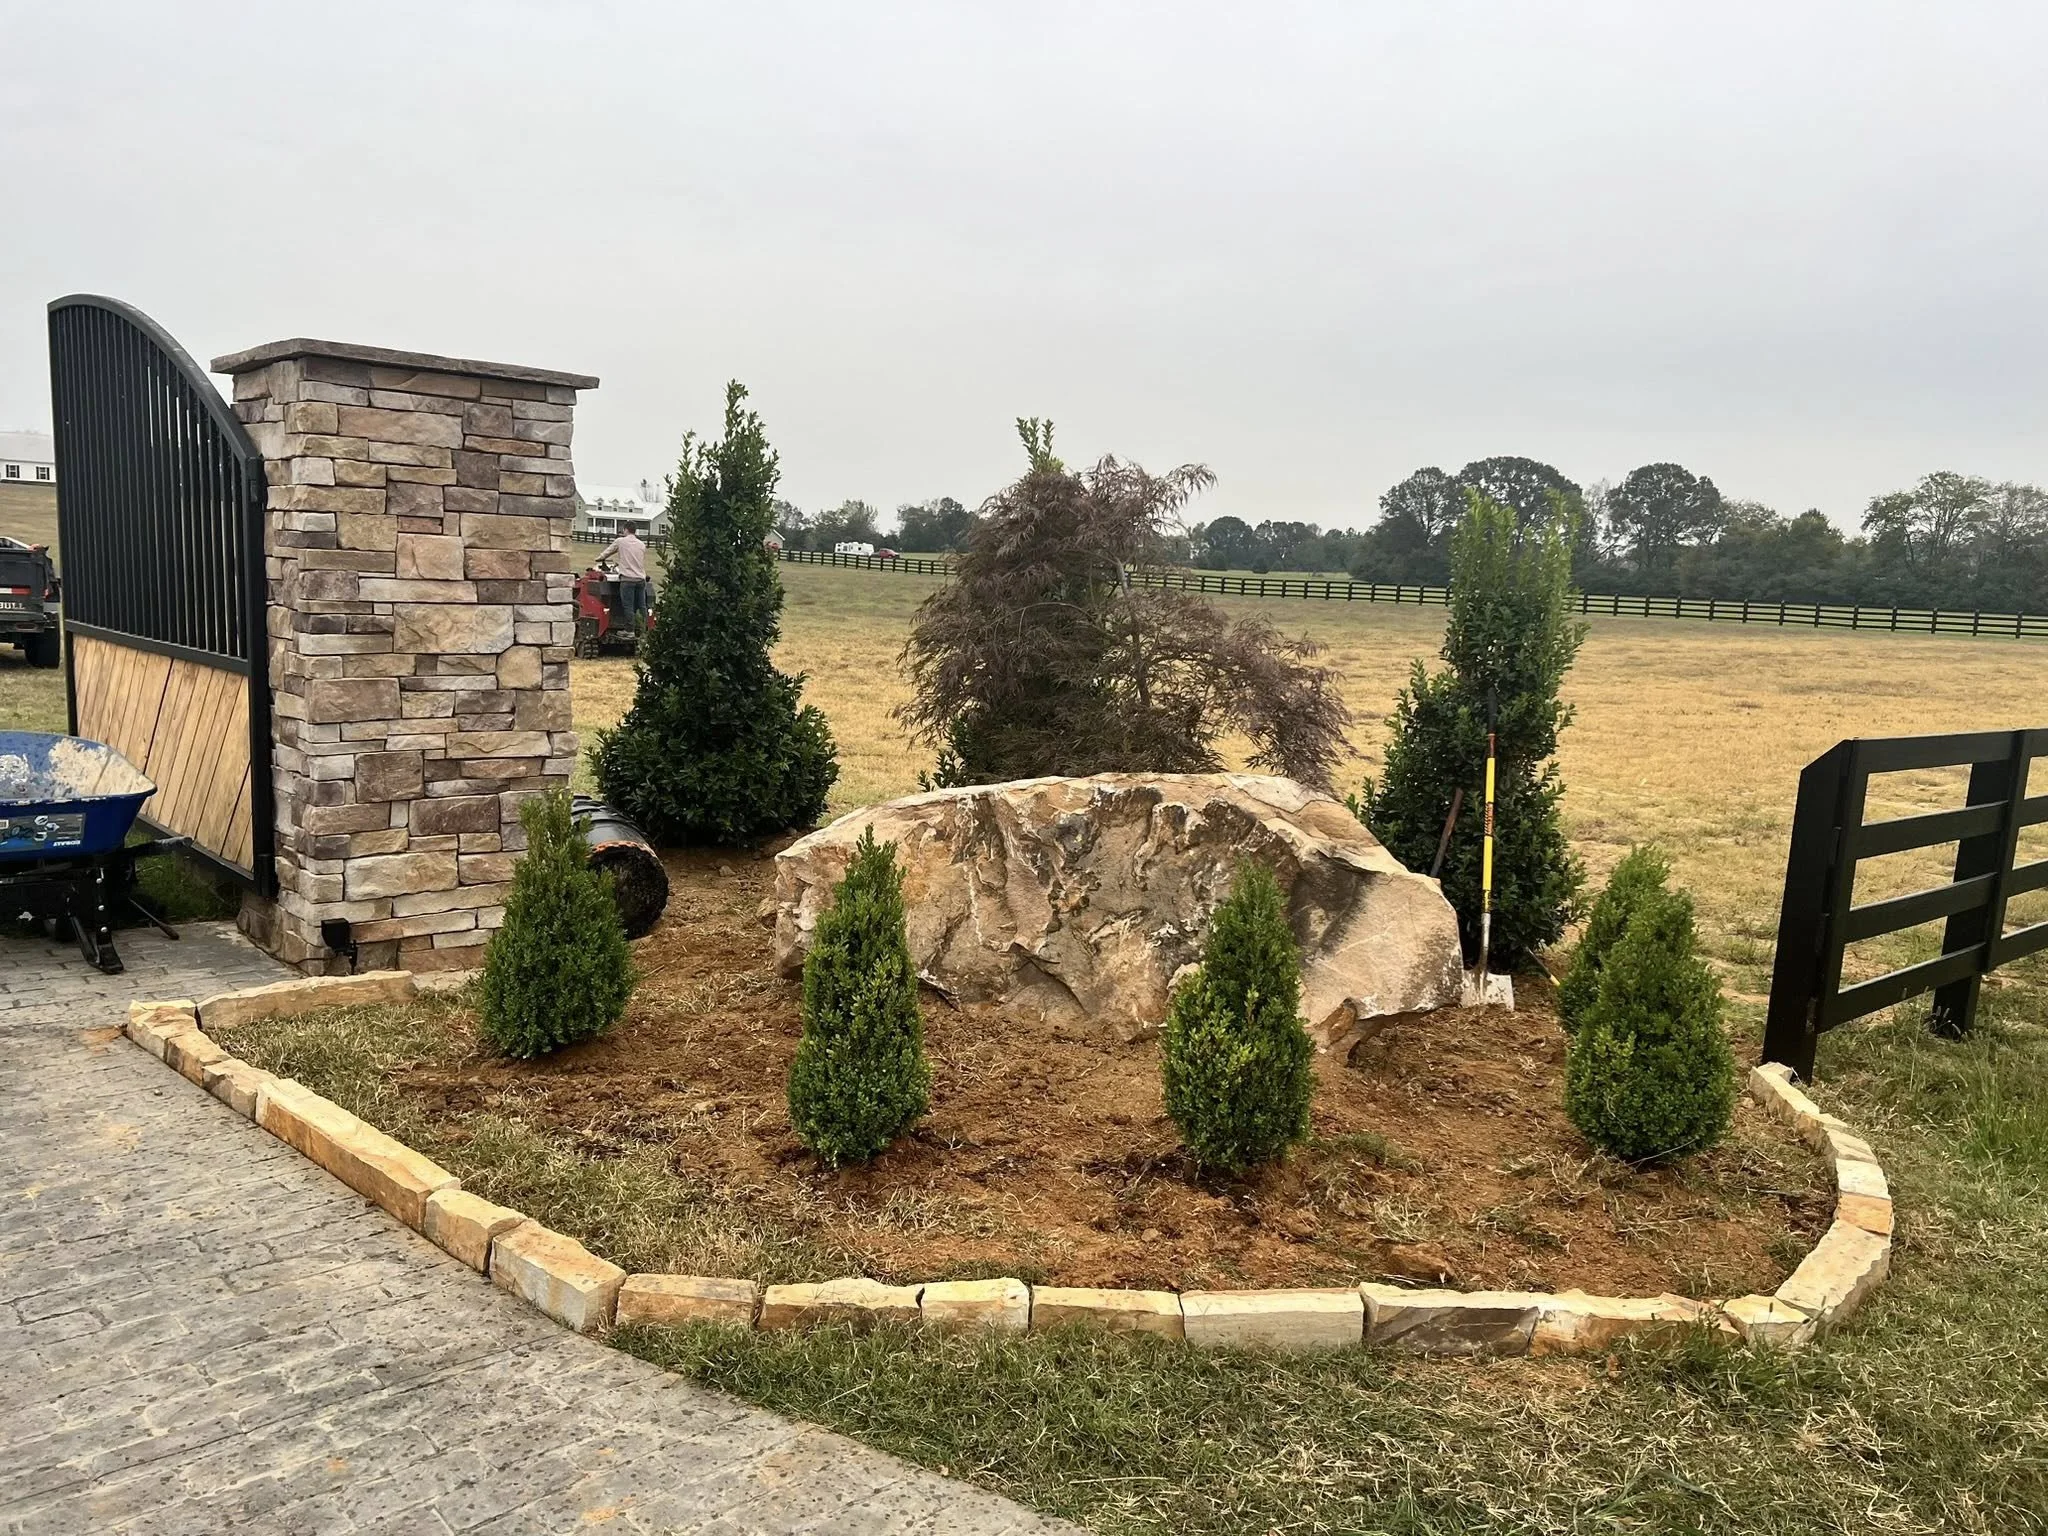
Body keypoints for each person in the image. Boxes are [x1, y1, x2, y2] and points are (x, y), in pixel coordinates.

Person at [597, 527, 650, 626]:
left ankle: (629, 630)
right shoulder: (641, 544)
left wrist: (599, 558)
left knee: (628, 606)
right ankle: (644, 629)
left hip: (628, 579)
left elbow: (607, 553)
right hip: (641, 579)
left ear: (625, 530)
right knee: (642, 605)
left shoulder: (620, 541)